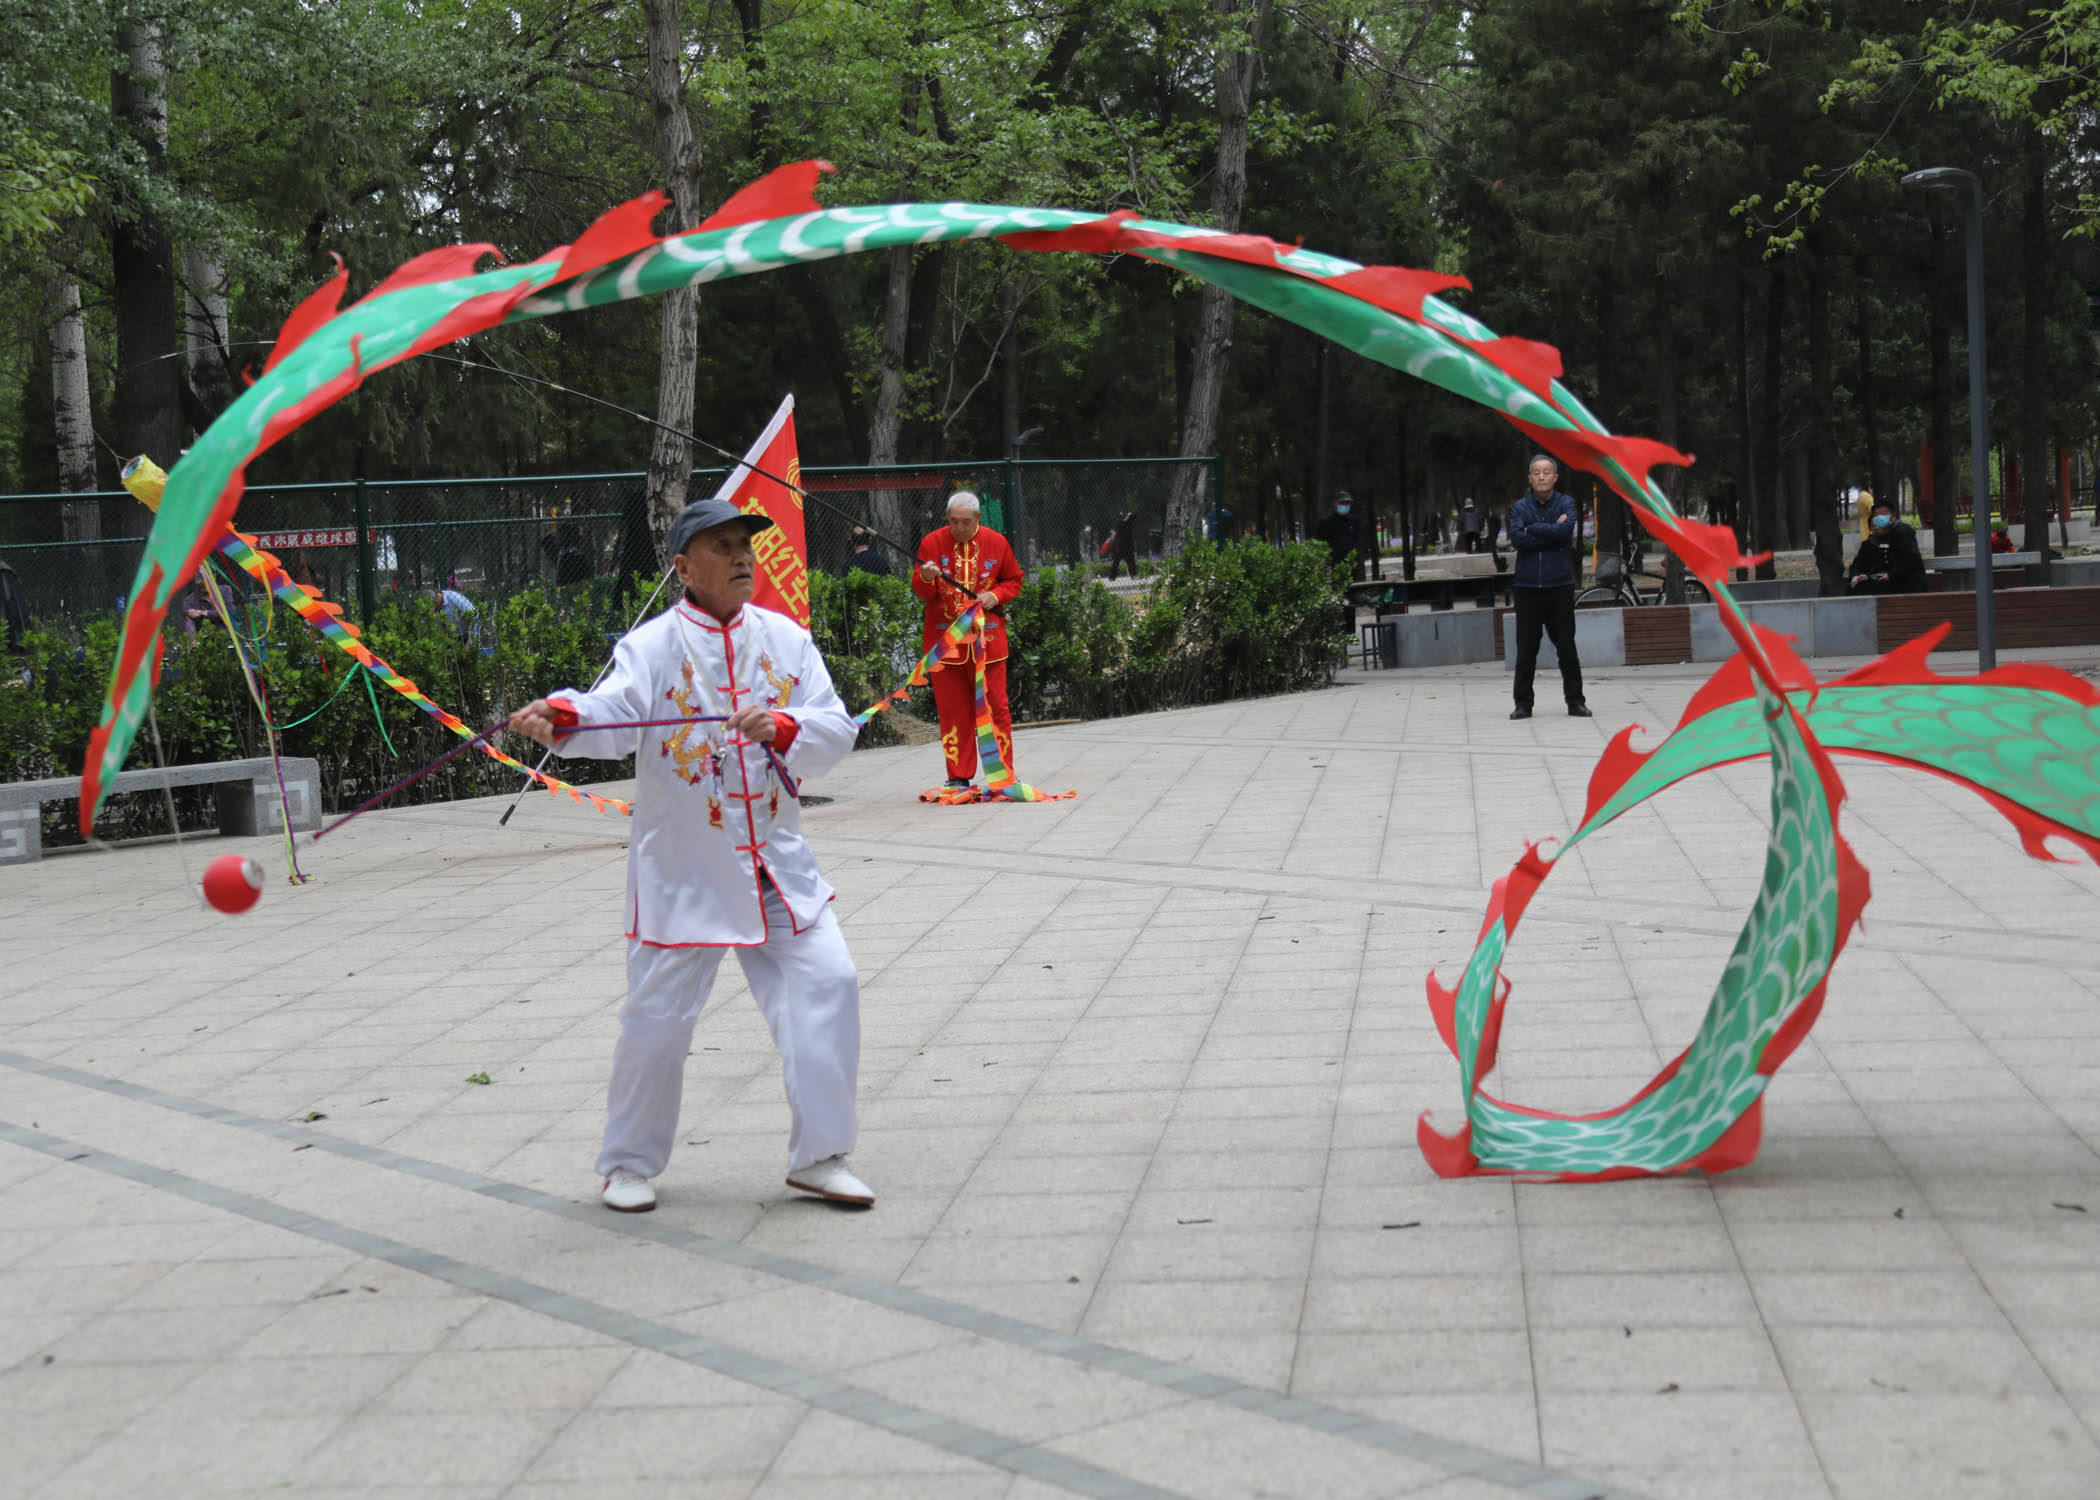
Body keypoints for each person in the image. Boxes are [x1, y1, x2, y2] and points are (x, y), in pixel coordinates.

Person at [507, 496, 872, 1214]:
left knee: (830, 984)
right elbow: (611, 713)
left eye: (746, 544)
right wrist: (563, 715)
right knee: (658, 1022)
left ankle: (821, 1157)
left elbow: (836, 727)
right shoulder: (651, 647)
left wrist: (784, 725)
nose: (743, 557)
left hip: (776, 863)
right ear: (682, 566)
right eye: (724, 546)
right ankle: (628, 1164)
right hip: (686, 870)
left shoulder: (787, 640)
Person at [914, 492, 1025, 789]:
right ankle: (958, 775)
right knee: (953, 711)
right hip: (946, 645)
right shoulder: (931, 543)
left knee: (996, 708)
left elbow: (1013, 580)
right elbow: (923, 592)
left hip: (988, 643)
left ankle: (1002, 774)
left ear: (977, 519)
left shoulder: (997, 543)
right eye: (953, 522)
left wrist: (995, 596)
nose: (959, 528)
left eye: (965, 522)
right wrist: (926, 577)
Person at [1508, 454, 1590, 720]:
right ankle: (1523, 704)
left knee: (1566, 646)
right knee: (1526, 650)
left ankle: (1575, 702)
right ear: (1530, 478)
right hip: (1527, 587)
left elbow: (1565, 532)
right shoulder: (1520, 507)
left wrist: (1535, 529)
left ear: (1555, 477)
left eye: (1546, 472)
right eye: (1536, 472)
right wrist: (1550, 532)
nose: (1542, 476)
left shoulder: (1566, 502)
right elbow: (1518, 539)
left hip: (1559, 586)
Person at [1848, 499, 1926, 595]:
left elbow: (1912, 559)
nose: (1880, 518)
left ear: (1893, 517)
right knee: (1857, 587)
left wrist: (1890, 575)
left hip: (1908, 585)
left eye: (1883, 514)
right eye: (1876, 516)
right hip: (1892, 581)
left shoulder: (1902, 532)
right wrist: (1868, 576)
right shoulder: (1881, 537)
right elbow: (1881, 564)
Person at [1313, 491, 1360, 575]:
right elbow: (1321, 545)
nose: (1345, 505)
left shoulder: (1353, 520)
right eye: (1342, 503)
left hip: (1352, 564)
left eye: (1348, 503)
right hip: (1334, 566)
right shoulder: (1326, 523)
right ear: (1335, 504)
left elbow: (1356, 540)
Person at [1102, 511, 1139, 580]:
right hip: (1126, 547)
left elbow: (1117, 532)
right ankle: (1132, 574)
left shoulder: (1123, 523)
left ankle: (1112, 577)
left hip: (1121, 546)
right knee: (1129, 561)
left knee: (1117, 562)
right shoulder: (1128, 524)